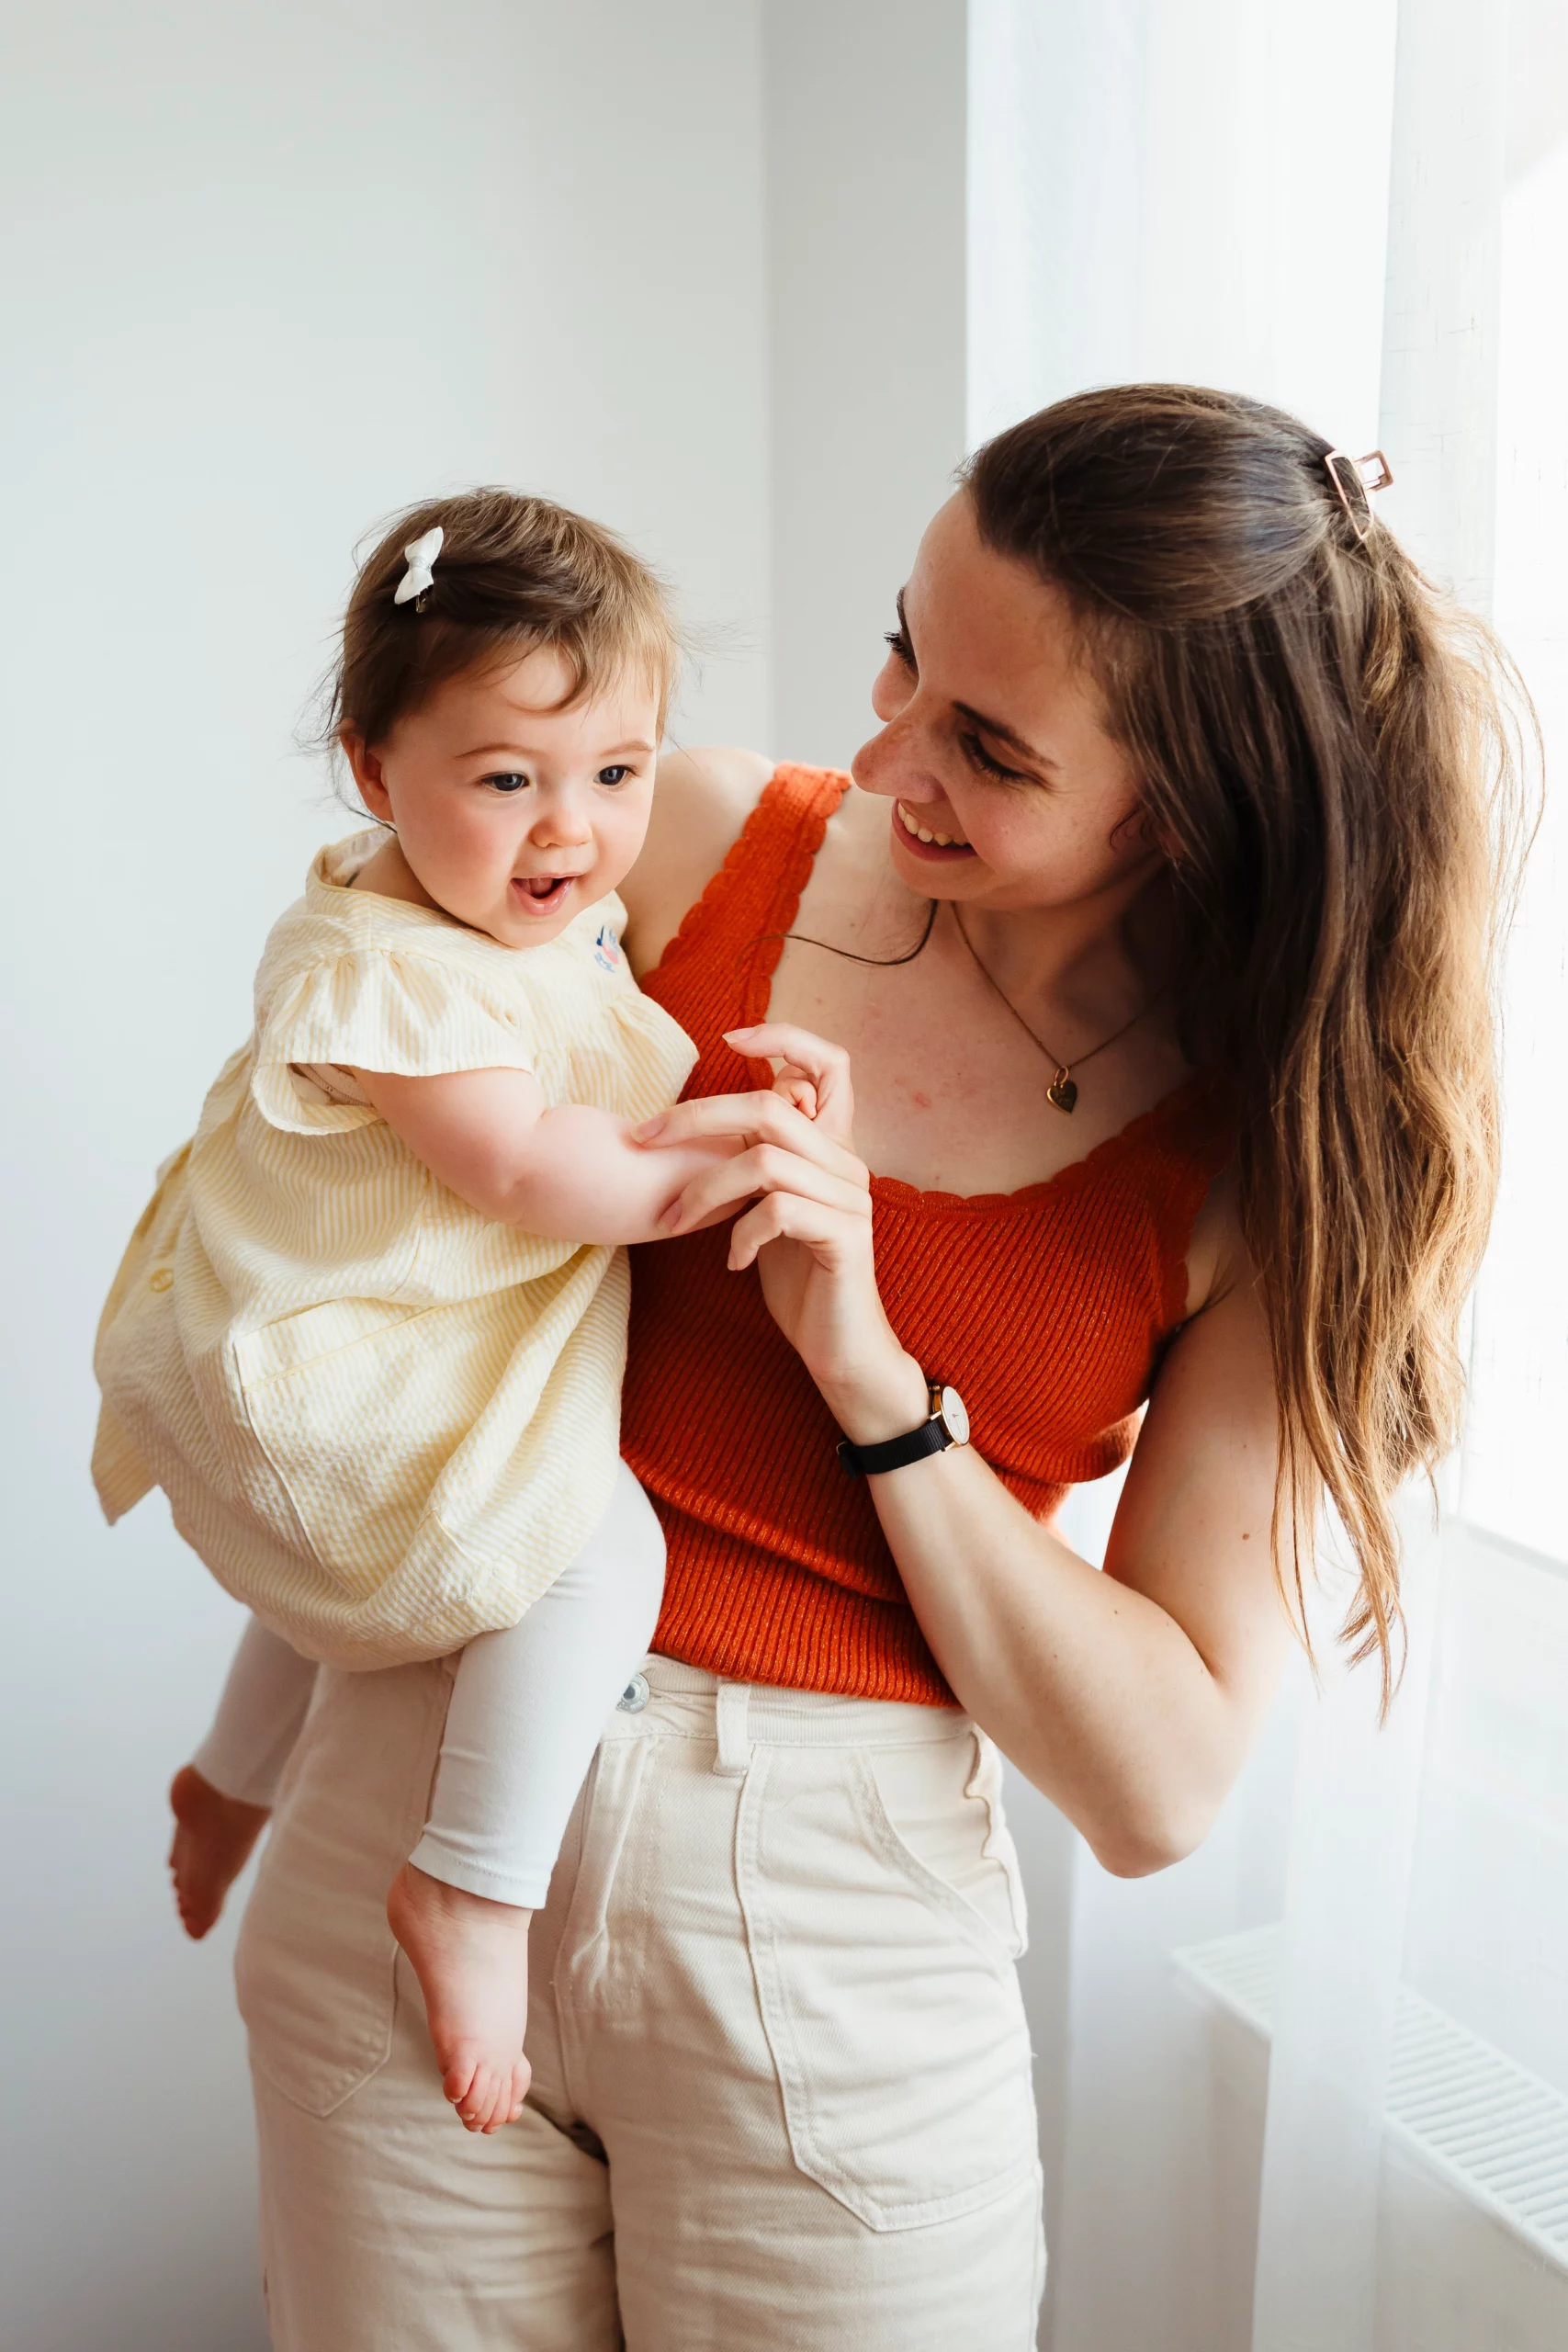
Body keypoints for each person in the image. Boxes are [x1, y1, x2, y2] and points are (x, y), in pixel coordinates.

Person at [218, 388, 1522, 2351]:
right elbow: (332, 1050)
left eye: (987, 746)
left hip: (826, 1919)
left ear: (1186, 807)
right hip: (415, 1799)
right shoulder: (686, 840)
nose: (879, 749)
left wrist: (877, 1381)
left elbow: (1159, 1777)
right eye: (905, 645)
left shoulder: (1264, 1158)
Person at [92, 488, 787, 2135]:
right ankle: (474, 1885)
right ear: (370, 769)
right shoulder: (388, 968)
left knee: (358, 1571)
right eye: (506, 782)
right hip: (339, 1355)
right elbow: (531, 1170)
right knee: (581, 1552)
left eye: (616, 775)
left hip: (396, 1349)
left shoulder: (501, 911)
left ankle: (231, 1774)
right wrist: (724, 1160)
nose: (571, 833)